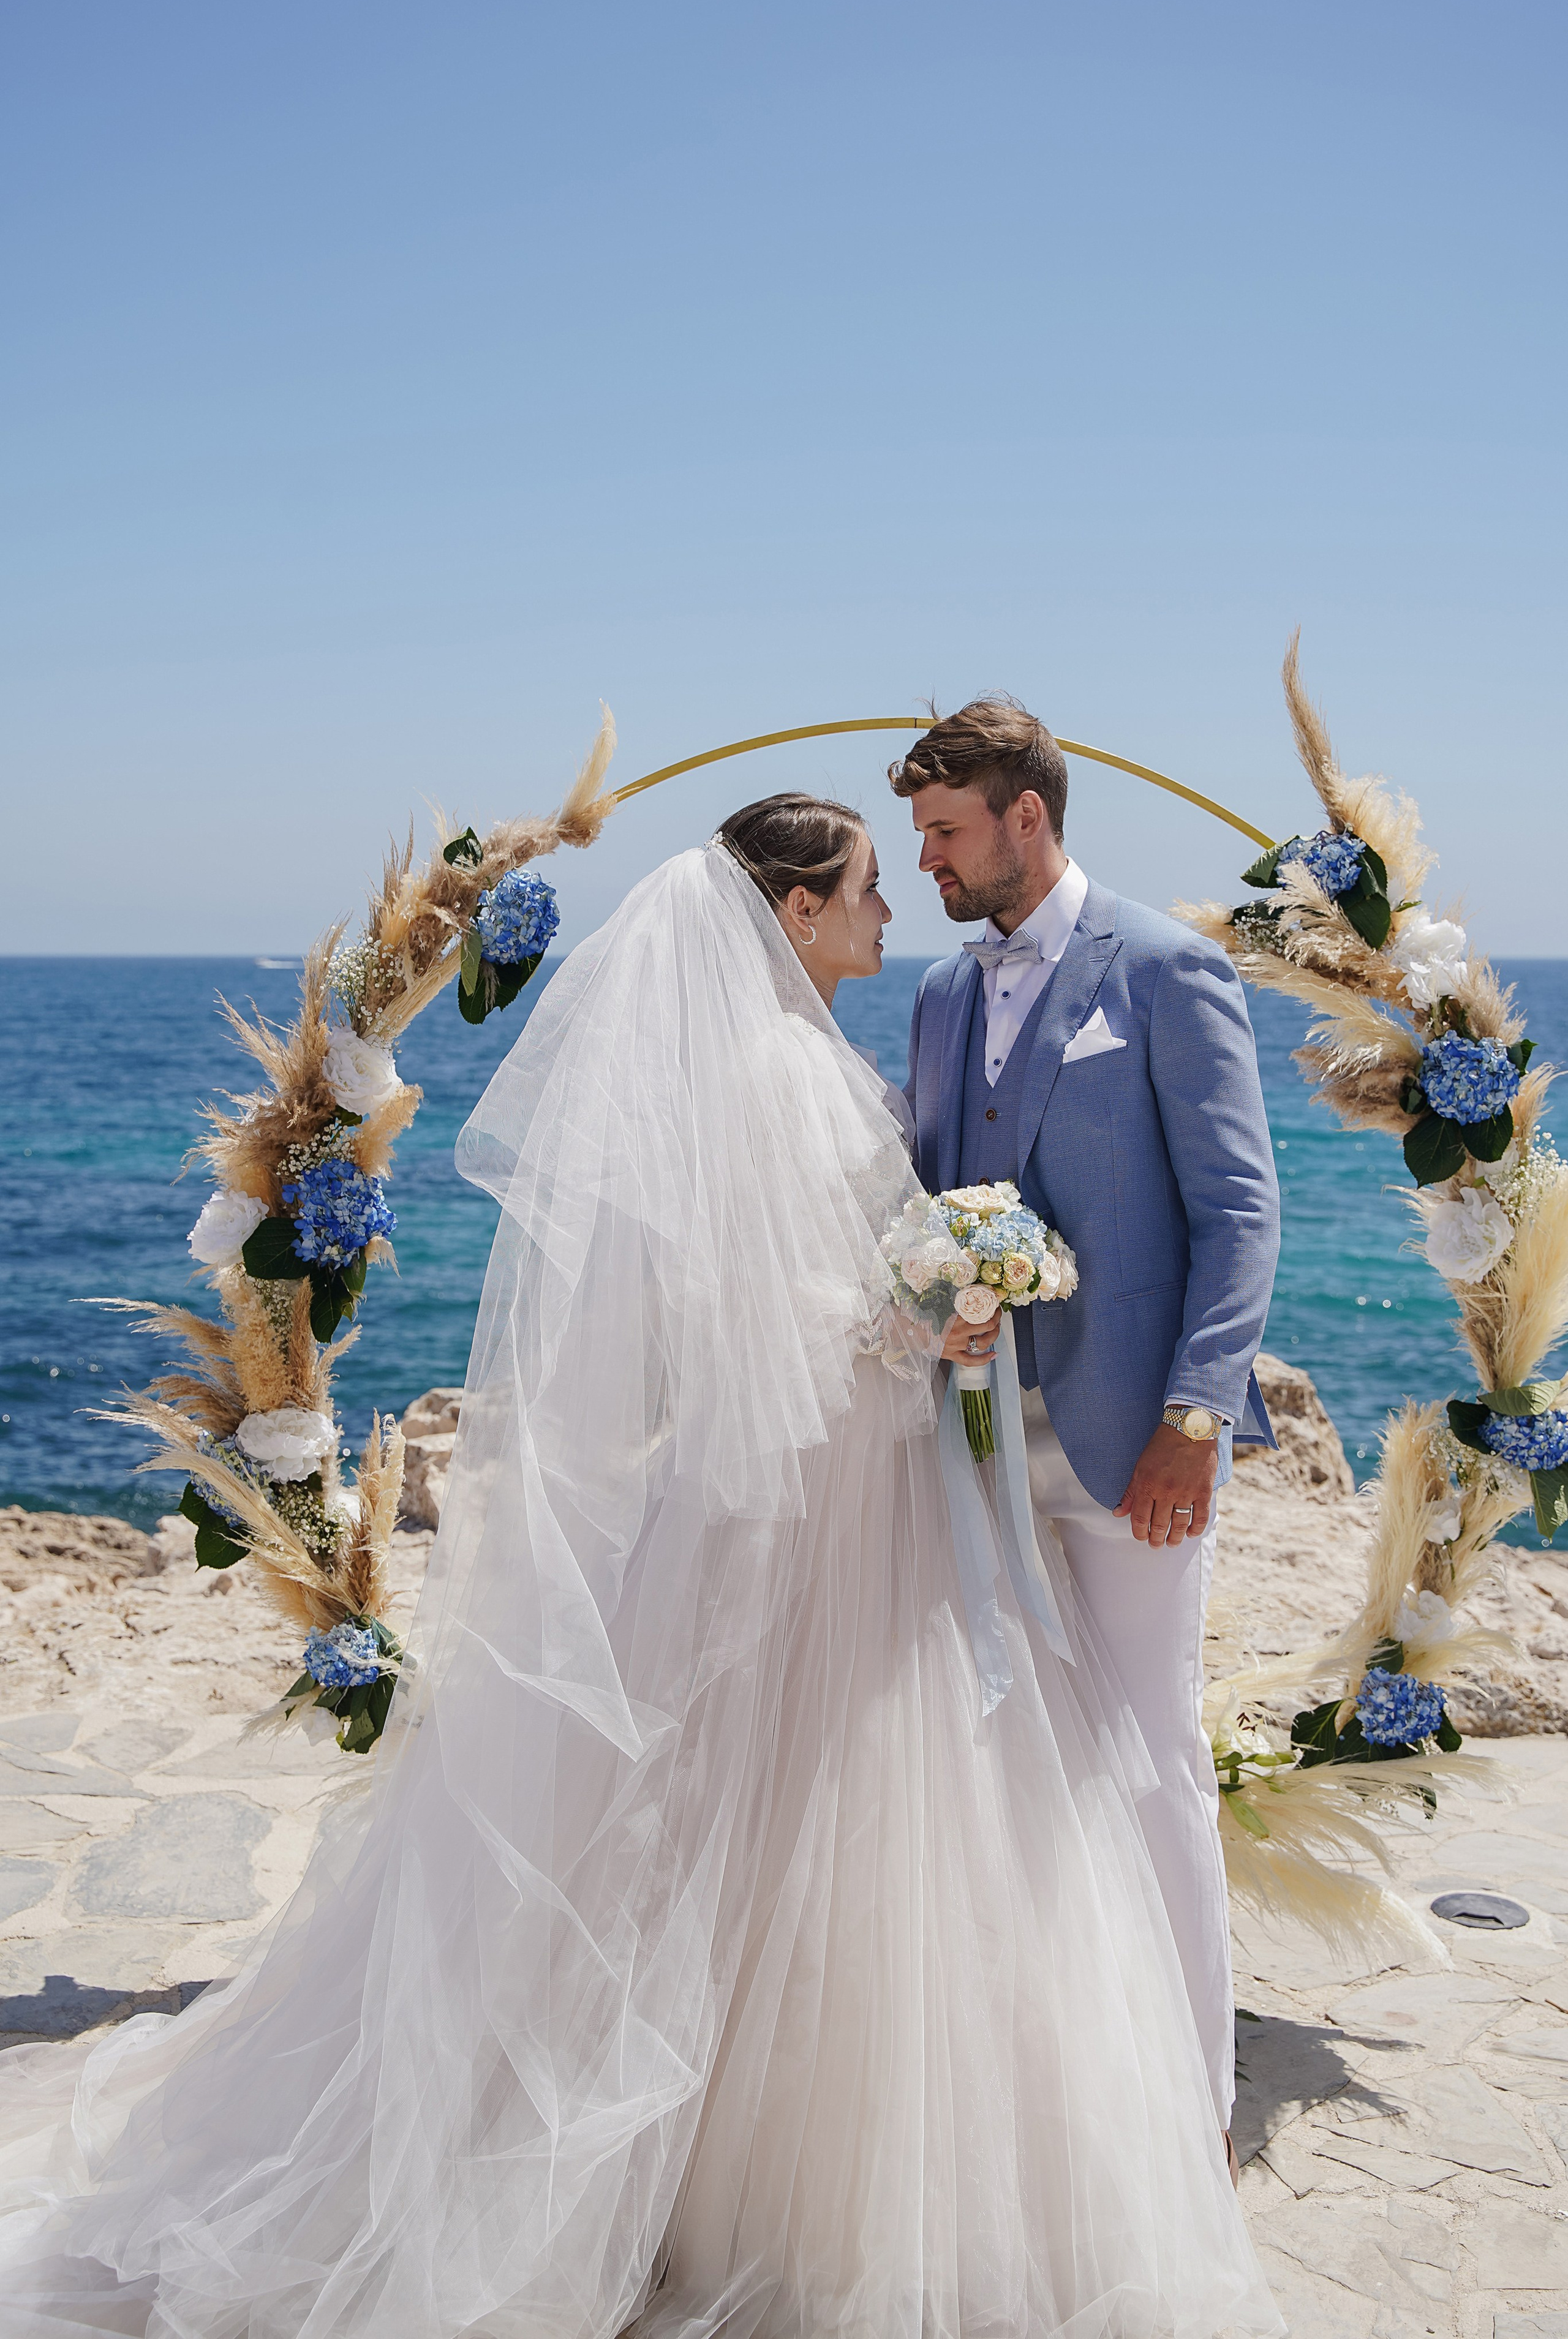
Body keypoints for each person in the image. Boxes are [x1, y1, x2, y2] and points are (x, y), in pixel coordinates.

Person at [0, 796, 1279, 2338]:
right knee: (825, 1813)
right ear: (795, 915)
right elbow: (798, 1327)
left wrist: (930, 1294)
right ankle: (766, 2171)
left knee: (737, 1821)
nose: (894, 908)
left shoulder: (746, 1067)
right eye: (870, 885)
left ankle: (712, 2146)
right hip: (833, 1506)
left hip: (793, 1498)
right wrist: (933, 1314)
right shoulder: (785, 1080)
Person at [892, 701, 1282, 2162]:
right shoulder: (938, 995)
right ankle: (1056, 2091)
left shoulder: (1169, 968)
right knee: (1008, 1761)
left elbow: (1241, 1211)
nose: (923, 861)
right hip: (973, 1441)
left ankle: (1185, 2105)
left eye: (942, 832)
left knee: (1149, 1749)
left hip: (1133, 1444)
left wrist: (1196, 1414)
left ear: (1026, 820)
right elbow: (930, 1190)